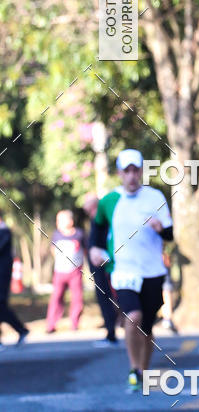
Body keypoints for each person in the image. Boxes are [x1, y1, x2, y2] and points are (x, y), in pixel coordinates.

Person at [89, 149, 173, 393]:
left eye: (136, 170)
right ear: (119, 173)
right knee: (132, 317)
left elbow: (170, 233)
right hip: (123, 270)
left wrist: (160, 229)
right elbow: (97, 230)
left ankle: (143, 371)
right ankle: (133, 368)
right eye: (127, 171)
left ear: (142, 171)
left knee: (147, 326)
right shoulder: (109, 201)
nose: (132, 175)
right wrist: (94, 249)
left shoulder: (155, 197)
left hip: (152, 271)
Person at [82, 193, 119, 345]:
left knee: (107, 297)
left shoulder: (103, 219)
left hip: (104, 265)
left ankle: (111, 333)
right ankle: (110, 330)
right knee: (103, 297)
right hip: (96, 266)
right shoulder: (95, 219)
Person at [45, 210, 85, 333]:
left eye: (61, 220)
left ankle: (74, 323)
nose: (58, 223)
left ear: (71, 221)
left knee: (77, 298)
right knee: (56, 298)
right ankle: (51, 325)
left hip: (75, 271)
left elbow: (85, 250)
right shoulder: (56, 235)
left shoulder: (79, 234)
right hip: (59, 272)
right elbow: (53, 249)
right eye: (57, 221)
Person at [0, 213, 28, 345]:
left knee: (1, 305)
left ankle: (21, 329)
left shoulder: (4, 232)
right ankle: (21, 329)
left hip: (2, 276)